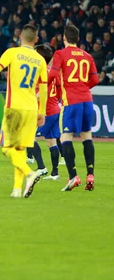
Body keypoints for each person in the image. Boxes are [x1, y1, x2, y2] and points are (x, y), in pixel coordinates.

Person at [0, 24, 48, 199]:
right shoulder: (40, 60)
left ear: (20, 37)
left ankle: (30, 173)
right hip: (31, 109)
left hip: (14, 107)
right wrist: (42, 112)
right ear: (36, 40)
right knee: (20, 150)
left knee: (7, 148)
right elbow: (43, 89)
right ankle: (16, 190)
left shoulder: (12, 53)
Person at [49, 25, 99, 191]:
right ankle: (90, 174)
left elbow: (53, 74)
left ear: (64, 38)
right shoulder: (87, 56)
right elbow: (95, 80)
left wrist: (41, 83)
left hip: (71, 101)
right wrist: (82, 87)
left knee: (65, 137)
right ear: (77, 39)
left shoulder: (60, 54)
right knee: (87, 136)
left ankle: (73, 177)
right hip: (87, 100)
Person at [28, 44, 63, 180]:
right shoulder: (54, 72)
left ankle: (42, 167)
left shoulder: (39, 72)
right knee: (51, 141)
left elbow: (39, 93)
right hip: (55, 109)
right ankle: (55, 174)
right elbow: (59, 89)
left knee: (30, 139)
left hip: (45, 112)